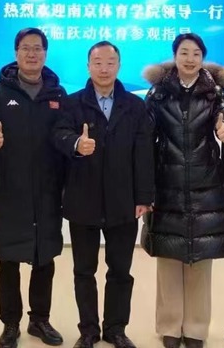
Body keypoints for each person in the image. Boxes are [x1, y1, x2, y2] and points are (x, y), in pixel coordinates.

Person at [52, 41, 154, 348]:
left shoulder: (135, 106)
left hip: (123, 201)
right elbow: (58, 135)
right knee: (84, 271)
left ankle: (116, 329)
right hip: (82, 199)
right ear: (88, 66)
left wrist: (144, 196)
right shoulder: (72, 103)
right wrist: (76, 144)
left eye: (110, 63)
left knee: (120, 271)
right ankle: (88, 330)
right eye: (98, 63)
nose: (104, 69)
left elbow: (144, 154)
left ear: (119, 66)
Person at [0, 27, 67, 348]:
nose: (32, 53)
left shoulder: (57, 94)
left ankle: (40, 320)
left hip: (47, 192)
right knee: (9, 259)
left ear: (45, 53)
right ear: (16, 53)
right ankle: (10, 324)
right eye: (26, 48)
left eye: (37, 48)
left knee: (44, 257)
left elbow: (66, 135)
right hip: (8, 190)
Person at [141, 33, 224, 348]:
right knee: (169, 257)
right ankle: (169, 326)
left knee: (200, 259)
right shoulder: (158, 92)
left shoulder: (214, 92)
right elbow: (145, 134)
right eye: (184, 52)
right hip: (166, 183)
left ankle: (196, 328)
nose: (190, 59)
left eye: (196, 53)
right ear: (175, 56)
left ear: (202, 57)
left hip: (205, 184)